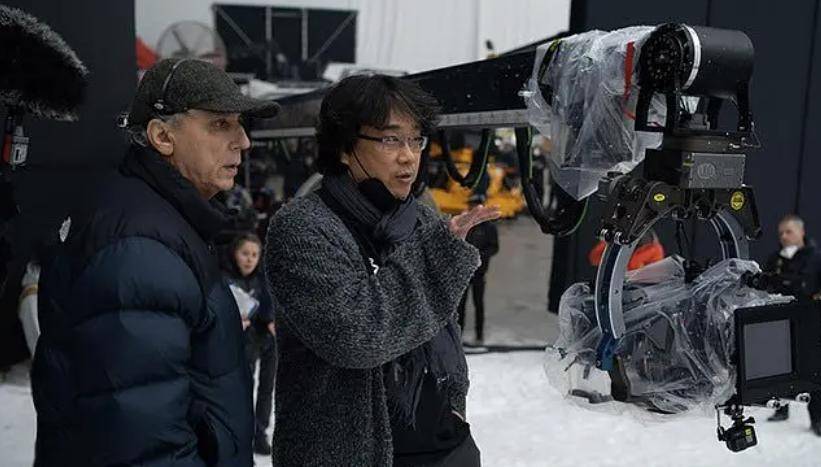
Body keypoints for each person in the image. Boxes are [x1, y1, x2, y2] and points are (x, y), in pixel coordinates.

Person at [31, 58, 279, 466]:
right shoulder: (139, 244)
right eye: (220, 124)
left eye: (240, 124)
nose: (243, 141)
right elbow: (142, 441)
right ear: (163, 136)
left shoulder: (157, 220)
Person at [264, 74, 499, 466]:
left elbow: (440, 327)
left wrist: (454, 403)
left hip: (446, 447)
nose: (408, 156)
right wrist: (436, 261)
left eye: (416, 140)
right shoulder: (304, 228)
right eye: (391, 140)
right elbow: (357, 336)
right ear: (344, 148)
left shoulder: (420, 219)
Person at [762, 214, 821, 434]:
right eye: (781, 233)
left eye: (789, 231)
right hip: (781, 320)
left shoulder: (815, 257)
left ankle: (817, 418)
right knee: (778, 366)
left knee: (814, 370)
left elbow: (808, 285)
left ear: (801, 232)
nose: (784, 236)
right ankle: (780, 407)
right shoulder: (775, 259)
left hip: (809, 320)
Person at [223, 232, 277, 455]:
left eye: (255, 255)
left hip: (266, 338)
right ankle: (241, 433)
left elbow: (269, 303)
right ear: (235, 253)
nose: (249, 259)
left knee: (267, 388)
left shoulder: (263, 277)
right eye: (245, 253)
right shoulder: (224, 278)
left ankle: (260, 432)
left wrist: (270, 318)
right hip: (243, 341)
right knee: (244, 389)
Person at [457, 193, 499, 344]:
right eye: (471, 205)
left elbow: (494, 247)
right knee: (460, 305)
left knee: (478, 304)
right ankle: (458, 334)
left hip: (479, 272)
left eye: (474, 205)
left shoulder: (489, 227)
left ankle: (479, 335)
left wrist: (480, 256)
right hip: (463, 273)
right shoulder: (464, 224)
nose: (472, 208)